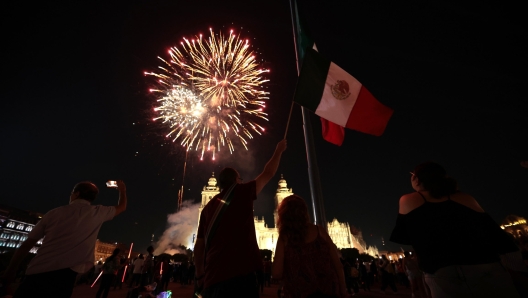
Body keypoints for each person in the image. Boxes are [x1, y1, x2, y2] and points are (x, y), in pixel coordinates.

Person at [390, 161, 520, 297]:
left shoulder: (409, 200)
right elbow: (498, 237)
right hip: (489, 268)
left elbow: (403, 236)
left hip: (445, 275)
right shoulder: (465, 198)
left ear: (417, 179)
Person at [1, 180, 127, 298]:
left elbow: (27, 244)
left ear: (76, 194)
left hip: (37, 272)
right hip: (65, 277)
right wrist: (122, 190)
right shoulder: (98, 212)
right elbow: (122, 207)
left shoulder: (54, 213)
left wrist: (11, 270)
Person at [194, 139, 287, 297]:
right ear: (236, 181)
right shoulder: (242, 193)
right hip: (241, 276)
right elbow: (268, 173)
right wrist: (278, 151)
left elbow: (199, 247)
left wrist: (200, 275)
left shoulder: (207, 209)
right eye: (240, 180)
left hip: (213, 277)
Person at [272, 195, 347, 298]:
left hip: (299, 293)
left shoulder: (284, 238)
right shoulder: (320, 231)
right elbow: (338, 266)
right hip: (328, 292)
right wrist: (343, 291)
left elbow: (276, 273)